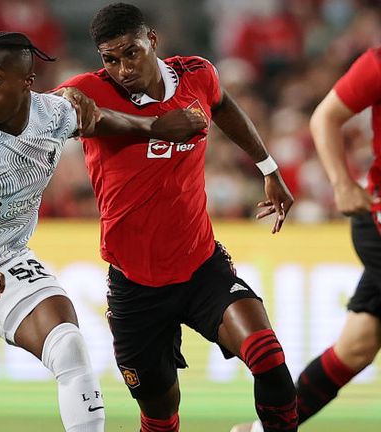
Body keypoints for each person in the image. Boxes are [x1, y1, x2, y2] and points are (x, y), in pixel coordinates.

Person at [0, 31, 206, 432]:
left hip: (8, 261)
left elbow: (95, 119)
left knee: (70, 347)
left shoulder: (53, 114)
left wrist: (154, 128)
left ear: (27, 82)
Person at [53, 4, 298, 432]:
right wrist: (153, 126)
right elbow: (64, 109)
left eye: (131, 53)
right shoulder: (89, 91)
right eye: (110, 59)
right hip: (135, 286)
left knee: (269, 360)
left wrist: (268, 168)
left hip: (202, 268)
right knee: (160, 418)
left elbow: (222, 106)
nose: (123, 68)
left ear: (153, 41)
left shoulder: (196, 75)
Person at [231, 46, 381, 432]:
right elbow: (326, 117)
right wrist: (342, 183)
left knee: (358, 345)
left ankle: (261, 430)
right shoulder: (378, 64)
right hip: (377, 221)